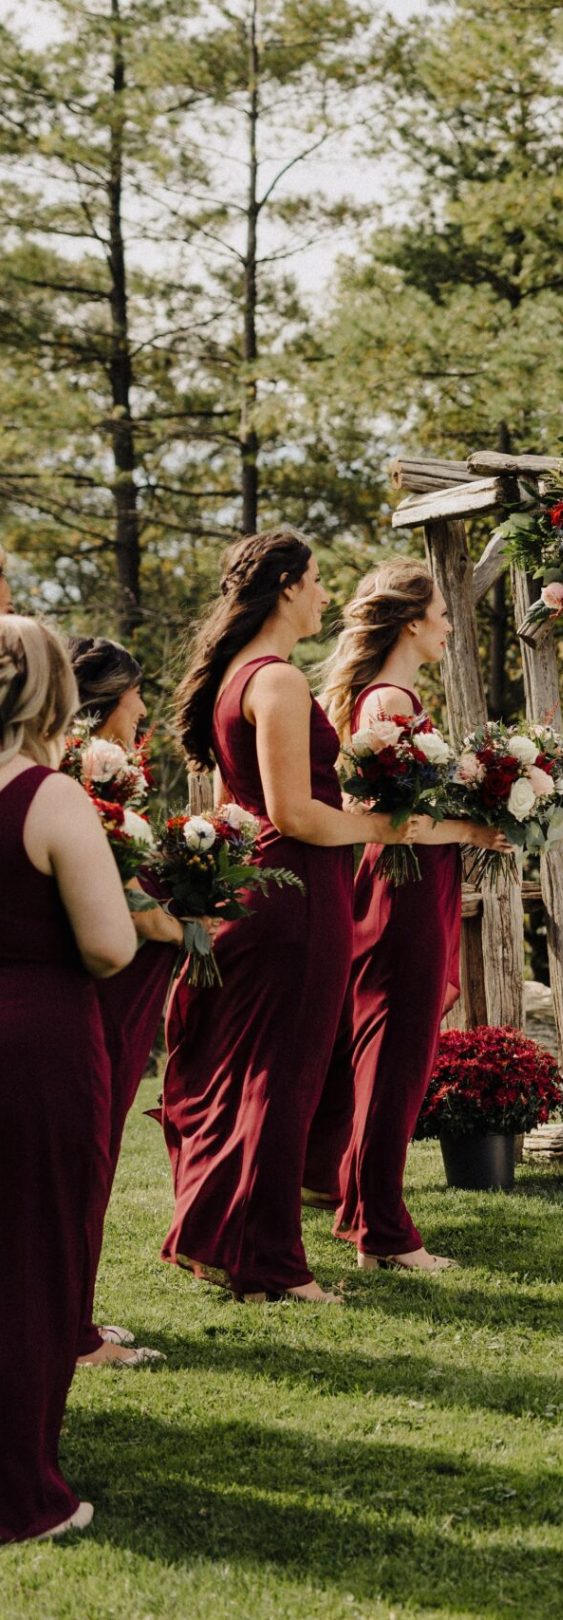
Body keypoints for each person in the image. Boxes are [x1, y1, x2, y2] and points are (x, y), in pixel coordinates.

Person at [160, 532, 410, 1304]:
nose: (326, 596)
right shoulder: (276, 683)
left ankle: (211, 1238)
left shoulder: (241, 676)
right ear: (284, 586)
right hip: (292, 894)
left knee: (248, 1073)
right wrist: (384, 828)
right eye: (317, 581)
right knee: (283, 1077)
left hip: (255, 890)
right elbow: (295, 814)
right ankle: (270, 1266)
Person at [302, 561, 508, 1269]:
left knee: (395, 1058)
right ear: (412, 621)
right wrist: (477, 831)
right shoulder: (387, 702)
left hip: (417, 888)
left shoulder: (393, 697)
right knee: (396, 1061)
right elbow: (393, 822)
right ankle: (382, 1238)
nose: (451, 625)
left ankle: (364, 1212)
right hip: (405, 890)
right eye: (444, 613)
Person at [0, 615, 135, 1542]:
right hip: (32, 1045)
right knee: (32, 1258)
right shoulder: (49, 798)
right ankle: (18, 1495)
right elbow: (109, 943)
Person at [68, 636, 185, 1370]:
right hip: (102, 999)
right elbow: (131, 909)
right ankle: (71, 1334)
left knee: (92, 1160)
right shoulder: (85, 786)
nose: (144, 707)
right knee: (84, 1160)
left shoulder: (103, 782)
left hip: (116, 999)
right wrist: (191, 924)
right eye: (137, 693)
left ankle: (73, 1312)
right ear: (108, 699)